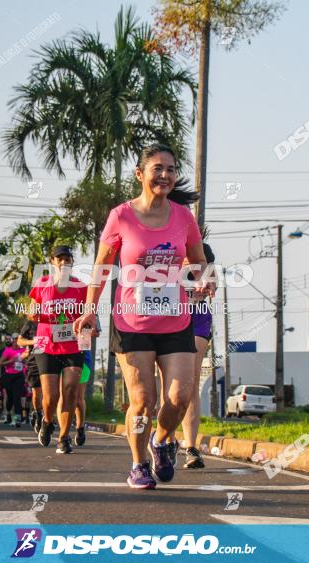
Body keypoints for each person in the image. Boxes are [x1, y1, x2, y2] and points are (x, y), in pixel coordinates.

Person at [74, 144, 210, 489]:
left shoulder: (183, 217)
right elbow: (102, 266)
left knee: (180, 395)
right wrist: (90, 309)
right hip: (132, 323)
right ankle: (138, 463)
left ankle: (162, 441)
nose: (164, 175)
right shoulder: (121, 216)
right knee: (143, 400)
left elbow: (197, 261)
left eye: (170, 169)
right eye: (157, 168)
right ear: (140, 174)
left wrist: (204, 281)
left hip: (175, 319)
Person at [29, 245, 90, 454]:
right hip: (45, 344)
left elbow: (89, 314)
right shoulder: (42, 284)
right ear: (53, 262)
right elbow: (31, 311)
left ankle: (64, 438)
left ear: (72, 262)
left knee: (71, 389)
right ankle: (47, 421)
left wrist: (92, 328)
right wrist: (36, 314)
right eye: (59, 259)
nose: (64, 262)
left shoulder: (81, 287)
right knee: (50, 396)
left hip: (74, 344)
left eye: (67, 258)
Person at [178, 242, 216, 469]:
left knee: (190, 382)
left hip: (198, 316)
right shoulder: (172, 253)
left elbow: (213, 283)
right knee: (171, 384)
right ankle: (167, 440)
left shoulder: (206, 253)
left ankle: (191, 447)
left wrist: (208, 283)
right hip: (171, 317)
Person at [16, 317, 44, 433]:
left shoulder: (56, 318)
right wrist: (34, 341)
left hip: (53, 358)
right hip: (35, 360)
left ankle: (46, 418)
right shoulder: (31, 323)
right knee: (37, 392)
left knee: (50, 392)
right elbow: (20, 341)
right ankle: (37, 412)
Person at [0, 337, 27, 428]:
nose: (16, 343)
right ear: (12, 342)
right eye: (15, 341)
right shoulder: (8, 351)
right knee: (9, 397)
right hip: (8, 376)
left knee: (17, 397)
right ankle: (8, 412)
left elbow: (27, 361)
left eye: (18, 341)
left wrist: (25, 361)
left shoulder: (23, 350)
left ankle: (17, 418)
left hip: (19, 376)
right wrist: (11, 361)